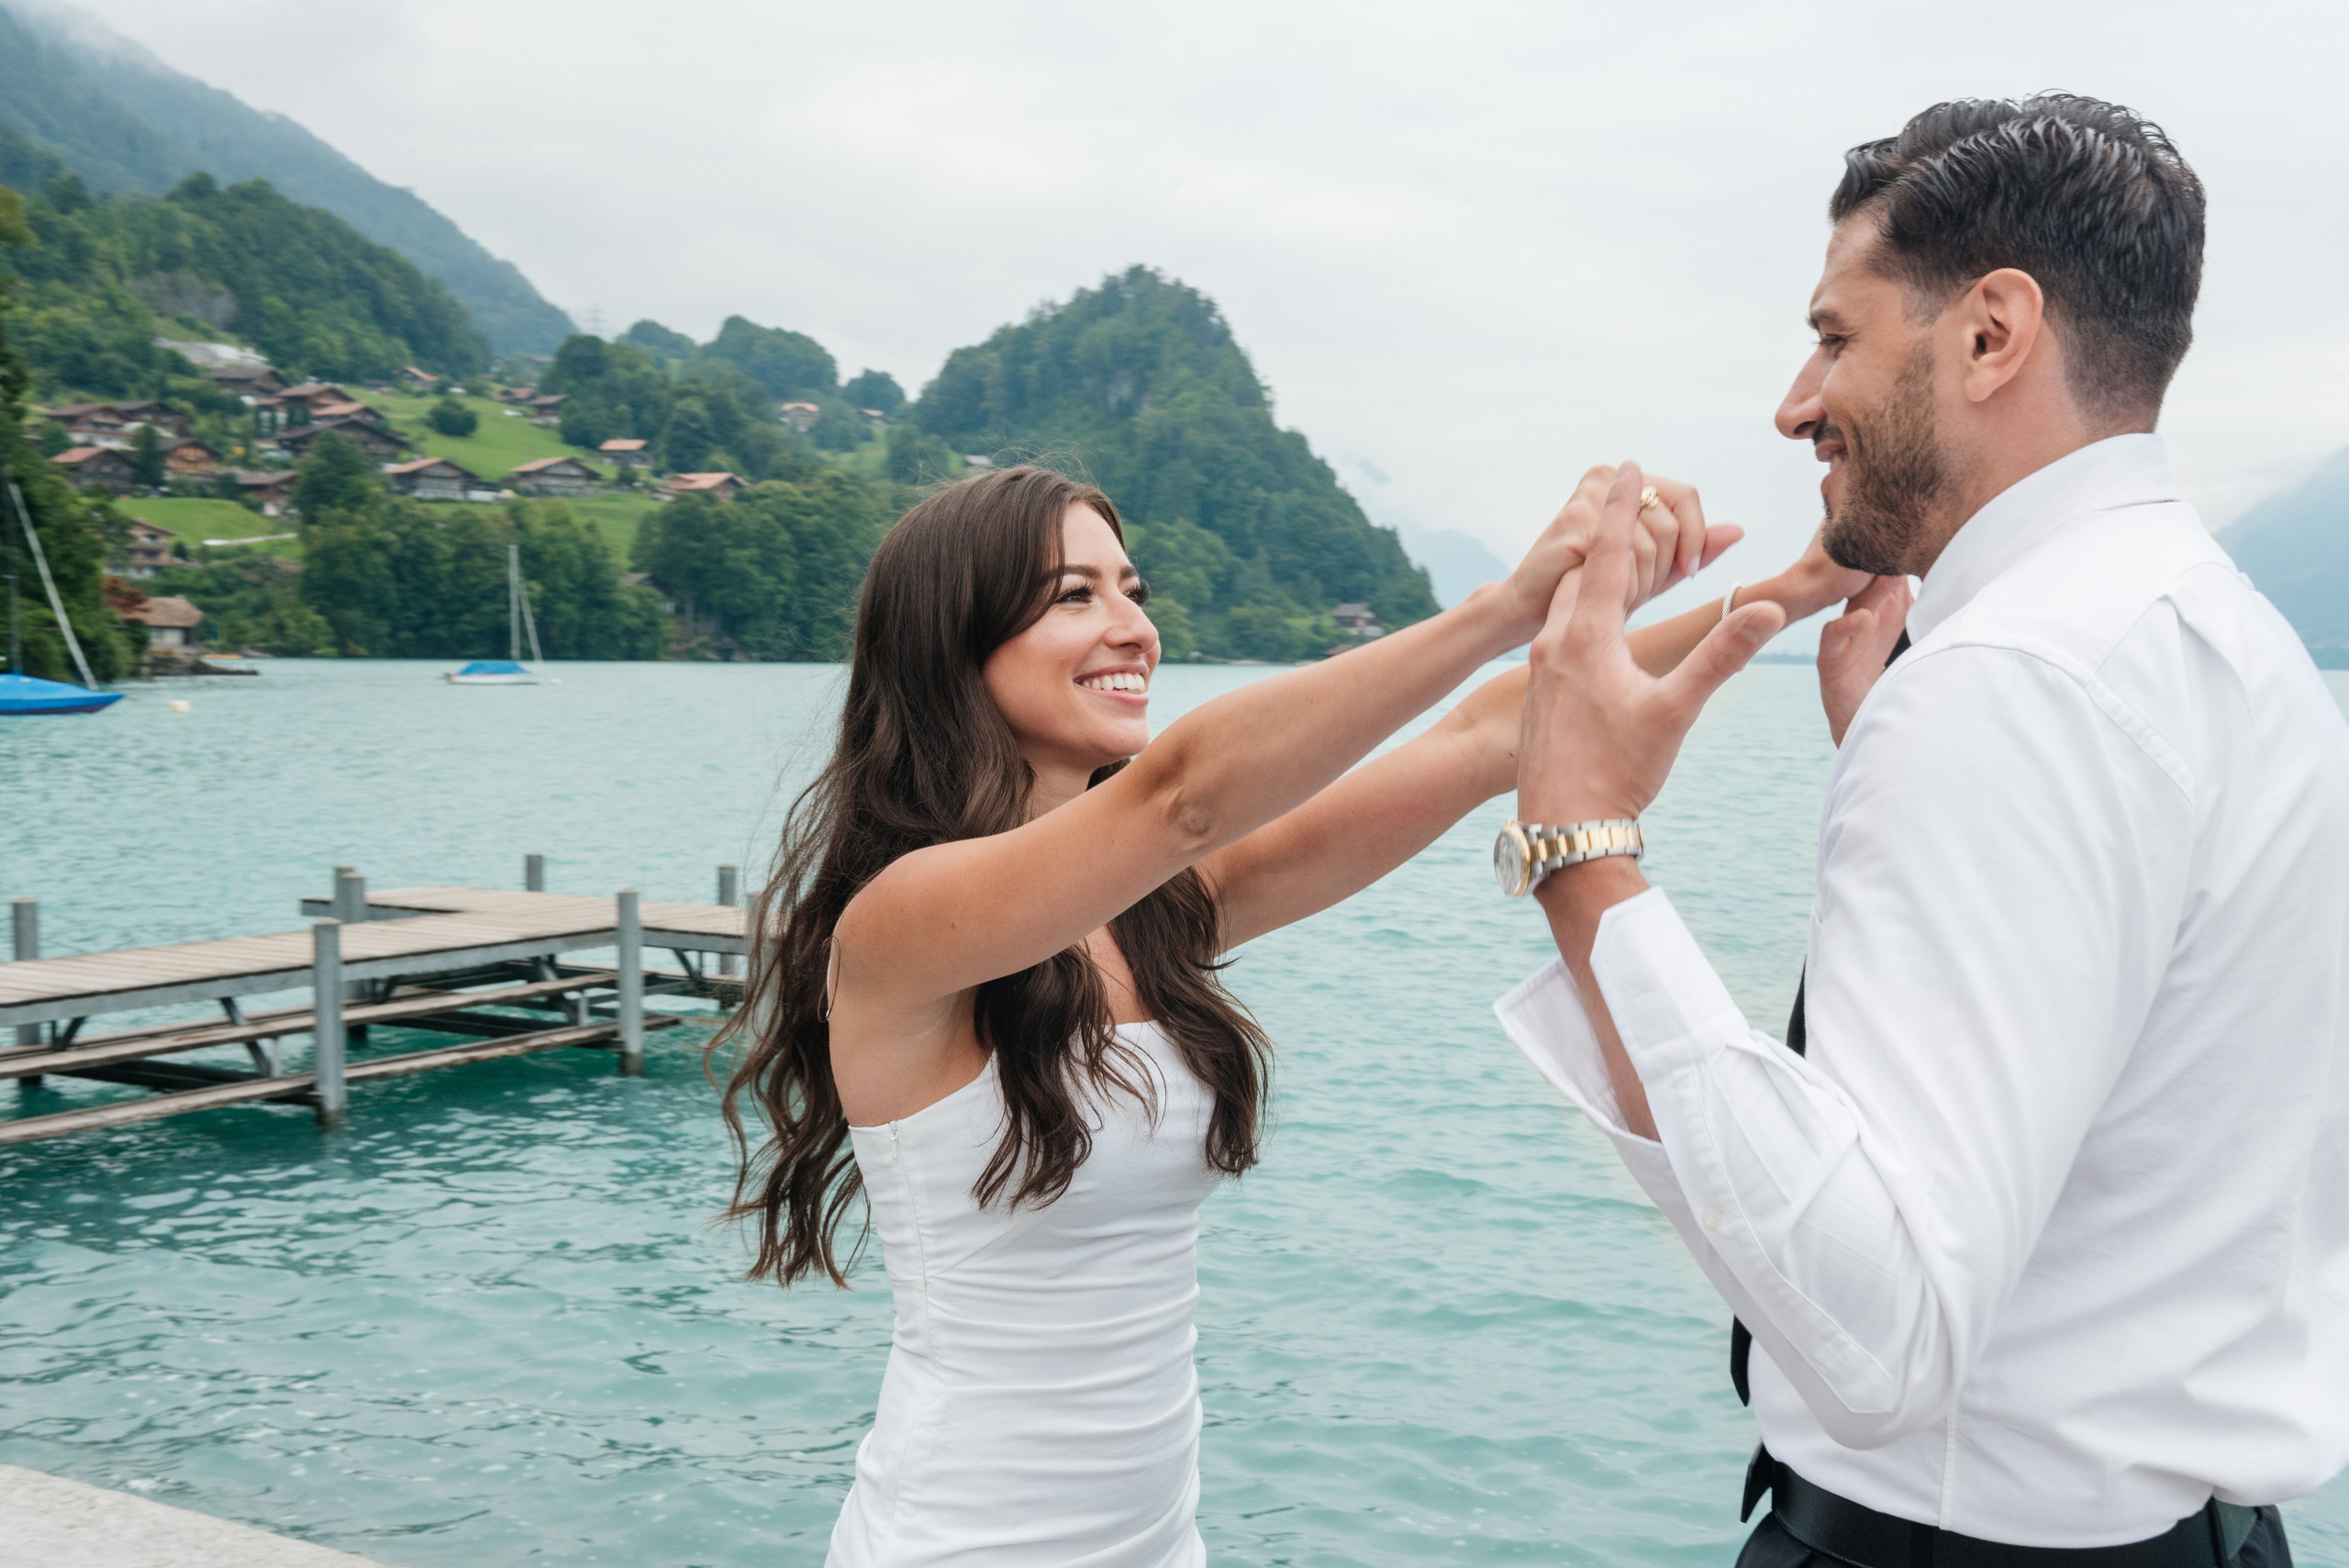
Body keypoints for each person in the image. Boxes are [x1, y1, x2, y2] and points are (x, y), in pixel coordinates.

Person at [713, 461, 1854, 1566]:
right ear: (952, 643)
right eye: (1075, 595)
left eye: (1132, 590)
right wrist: (1503, 607)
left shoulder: (1157, 913)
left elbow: (1478, 738)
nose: (1131, 626)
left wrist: (1795, 592)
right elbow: (1184, 794)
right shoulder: (901, 927)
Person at [1495, 95, 2349, 1566]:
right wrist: (1902, 775)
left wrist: (1583, 843)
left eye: (1836, 335)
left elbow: (1881, 1338)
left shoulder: (2005, 684)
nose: (1794, 402)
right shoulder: (2231, 645)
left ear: (1989, 335)